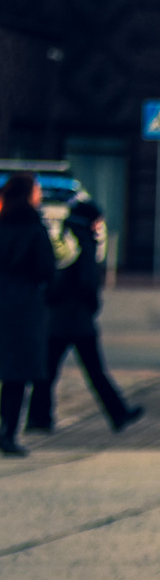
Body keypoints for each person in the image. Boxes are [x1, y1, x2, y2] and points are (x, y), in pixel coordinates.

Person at [28, 198, 140, 436]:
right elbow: (88, 281)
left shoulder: (64, 238)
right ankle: (118, 413)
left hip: (56, 319)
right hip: (77, 320)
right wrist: (92, 305)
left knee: (47, 371)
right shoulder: (84, 242)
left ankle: (38, 418)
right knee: (95, 371)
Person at [0, 173, 53, 458]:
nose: (40, 195)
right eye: (37, 190)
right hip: (23, 306)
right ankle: (7, 432)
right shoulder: (34, 227)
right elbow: (45, 268)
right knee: (16, 374)